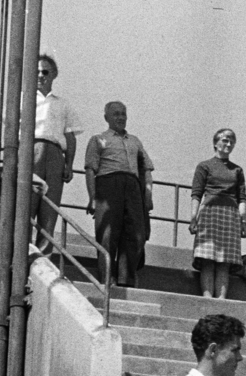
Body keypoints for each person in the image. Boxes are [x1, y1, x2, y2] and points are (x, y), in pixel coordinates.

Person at [83, 100, 154, 288]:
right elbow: (90, 169)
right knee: (107, 234)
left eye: (123, 113)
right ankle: (107, 279)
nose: (120, 117)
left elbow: (146, 169)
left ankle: (125, 278)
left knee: (136, 234)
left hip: (132, 187)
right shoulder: (98, 139)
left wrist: (147, 195)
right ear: (106, 117)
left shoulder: (135, 141)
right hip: (108, 184)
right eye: (116, 114)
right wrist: (92, 197)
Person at [189, 128, 246, 300]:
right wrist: (193, 218)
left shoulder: (237, 170)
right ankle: (207, 299)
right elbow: (197, 193)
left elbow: (241, 198)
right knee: (207, 259)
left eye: (231, 141)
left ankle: (221, 300)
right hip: (209, 213)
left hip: (230, 215)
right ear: (215, 143)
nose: (228, 144)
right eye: (224, 140)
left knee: (225, 261)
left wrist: (243, 222)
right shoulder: (204, 166)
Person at [32, 54, 84, 244]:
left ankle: (42, 261)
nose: (40, 75)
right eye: (36, 71)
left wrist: (69, 165)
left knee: (49, 211)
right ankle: (19, 261)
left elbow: (70, 137)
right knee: (25, 208)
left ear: (53, 74)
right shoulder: (23, 99)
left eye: (44, 71)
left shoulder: (63, 104)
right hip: (30, 150)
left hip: (54, 154)